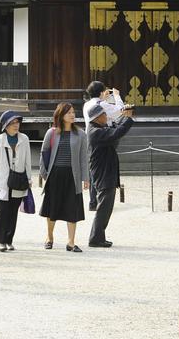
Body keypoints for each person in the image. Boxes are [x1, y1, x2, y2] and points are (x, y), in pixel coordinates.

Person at [39, 102, 90, 252]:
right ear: (61, 115)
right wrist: (44, 174)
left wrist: (85, 178)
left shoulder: (81, 134)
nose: (72, 115)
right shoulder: (52, 132)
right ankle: (49, 236)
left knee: (72, 208)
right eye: (69, 113)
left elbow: (83, 157)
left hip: (72, 175)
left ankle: (71, 242)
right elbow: (44, 153)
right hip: (55, 174)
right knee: (52, 207)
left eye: (73, 112)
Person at [87, 100, 136, 248]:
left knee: (106, 206)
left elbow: (114, 129)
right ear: (96, 117)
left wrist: (123, 116)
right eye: (104, 114)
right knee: (104, 206)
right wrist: (127, 118)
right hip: (103, 172)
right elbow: (116, 133)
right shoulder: (95, 132)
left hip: (106, 170)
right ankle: (95, 238)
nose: (106, 117)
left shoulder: (98, 128)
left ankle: (98, 236)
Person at [0, 110, 31, 252]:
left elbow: (28, 161)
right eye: (12, 123)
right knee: (2, 210)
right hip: (1, 182)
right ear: (5, 125)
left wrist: (29, 178)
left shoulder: (24, 139)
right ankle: (1, 240)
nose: (16, 125)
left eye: (17, 122)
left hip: (19, 180)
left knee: (13, 211)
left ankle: (9, 239)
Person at [84, 80, 125, 210]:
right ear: (102, 92)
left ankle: (93, 201)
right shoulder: (101, 104)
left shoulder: (87, 104)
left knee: (94, 169)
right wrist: (117, 95)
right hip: (103, 137)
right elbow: (120, 111)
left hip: (90, 137)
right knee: (104, 168)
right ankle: (101, 198)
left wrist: (105, 97)